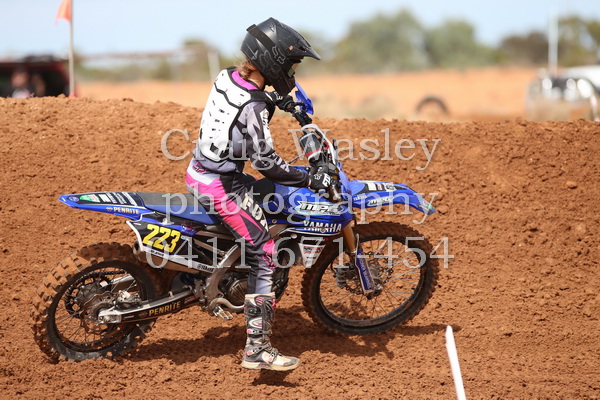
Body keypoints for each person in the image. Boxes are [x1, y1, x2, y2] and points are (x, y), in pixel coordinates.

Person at [185, 17, 330, 371]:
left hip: (199, 172)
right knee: (265, 251)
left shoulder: (227, 76)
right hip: (222, 185)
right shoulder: (255, 105)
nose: (292, 72)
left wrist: (279, 100)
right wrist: (307, 177)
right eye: (291, 64)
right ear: (273, 60)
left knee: (266, 199)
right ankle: (257, 348)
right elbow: (267, 163)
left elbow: (246, 102)